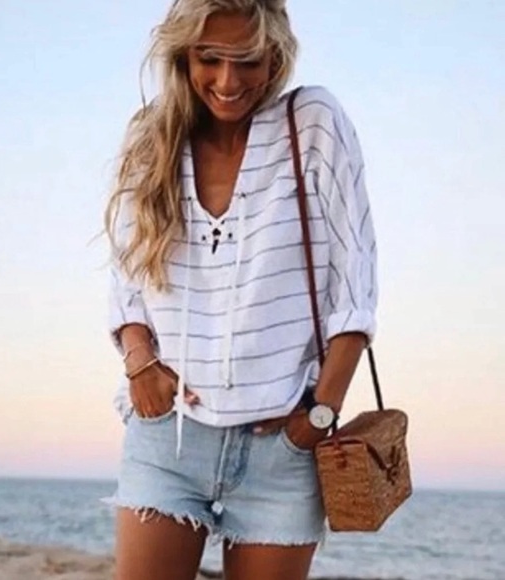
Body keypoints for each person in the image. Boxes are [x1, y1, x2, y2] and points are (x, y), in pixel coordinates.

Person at [104, 1, 377, 579]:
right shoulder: (152, 138)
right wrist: (139, 363)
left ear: (275, 57)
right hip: (169, 439)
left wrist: (318, 416)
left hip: (282, 450)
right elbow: (126, 275)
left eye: (247, 60)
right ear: (184, 55)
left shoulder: (313, 124)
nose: (228, 82)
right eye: (210, 58)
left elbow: (356, 286)